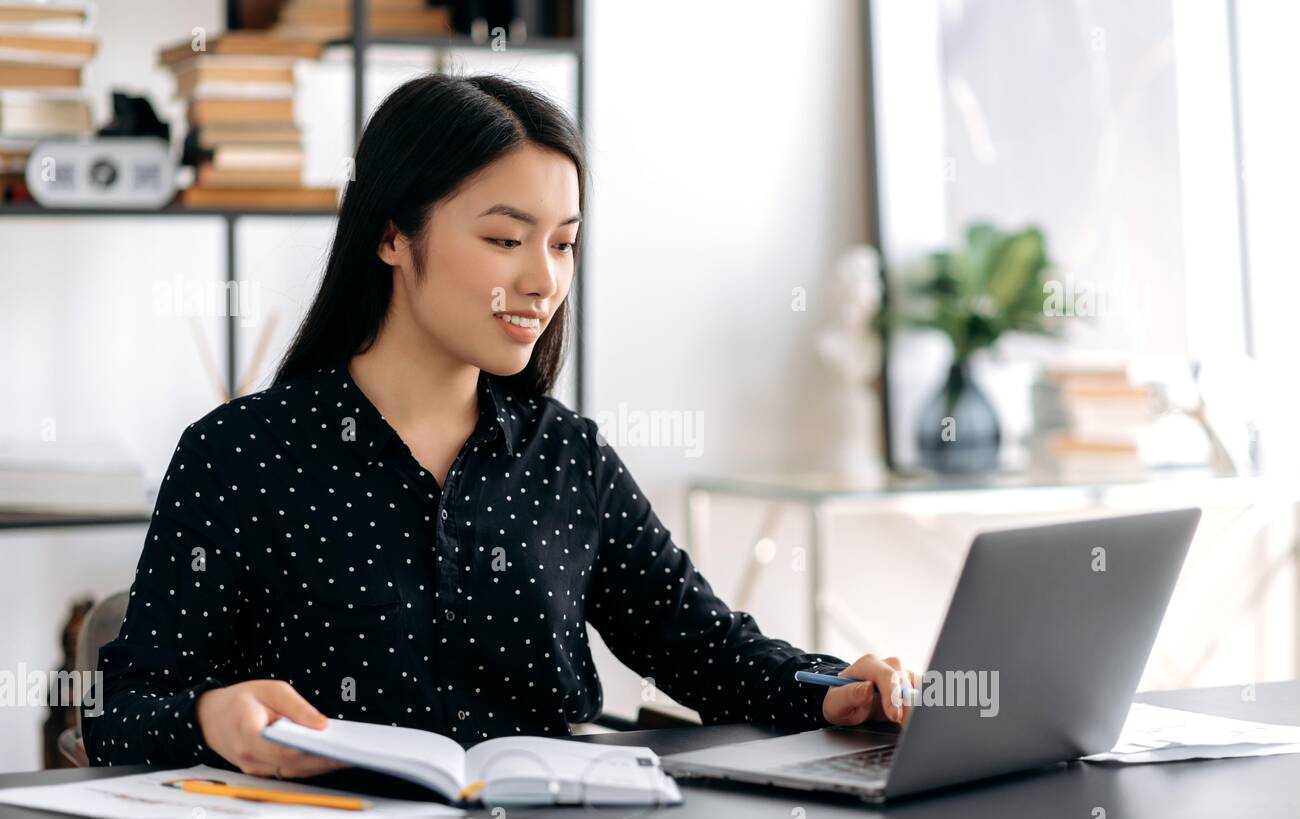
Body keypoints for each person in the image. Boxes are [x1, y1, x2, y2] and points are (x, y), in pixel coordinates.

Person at [81, 73, 917, 779]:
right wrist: (212, 717)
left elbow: (705, 648)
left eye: (564, 244)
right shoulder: (241, 455)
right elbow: (121, 718)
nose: (542, 280)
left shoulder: (566, 458)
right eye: (506, 238)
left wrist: (831, 682)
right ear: (389, 235)